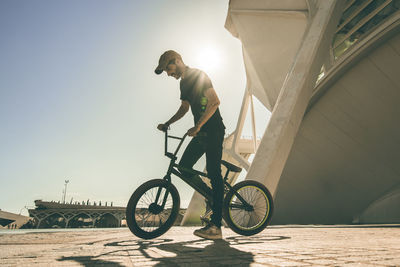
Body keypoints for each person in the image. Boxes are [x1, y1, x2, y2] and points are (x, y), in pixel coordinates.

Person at [155, 50, 225, 240]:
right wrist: (168, 123)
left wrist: (199, 125)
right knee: (185, 167)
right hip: (200, 133)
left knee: (213, 172)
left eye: (168, 69)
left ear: (177, 61)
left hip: (213, 131)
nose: (168, 74)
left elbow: (214, 101)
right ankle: (212, 195)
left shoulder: (198, 75)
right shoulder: (184, 83)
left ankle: (216, 226)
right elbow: (184, 108)